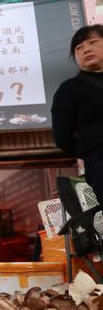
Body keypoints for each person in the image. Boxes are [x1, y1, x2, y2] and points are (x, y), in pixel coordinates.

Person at [51, 24, 103, 204]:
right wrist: (93, 152)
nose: (86, 49)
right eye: (79, 48)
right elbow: (62, 138)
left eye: (93, 42)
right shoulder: (70, 89)